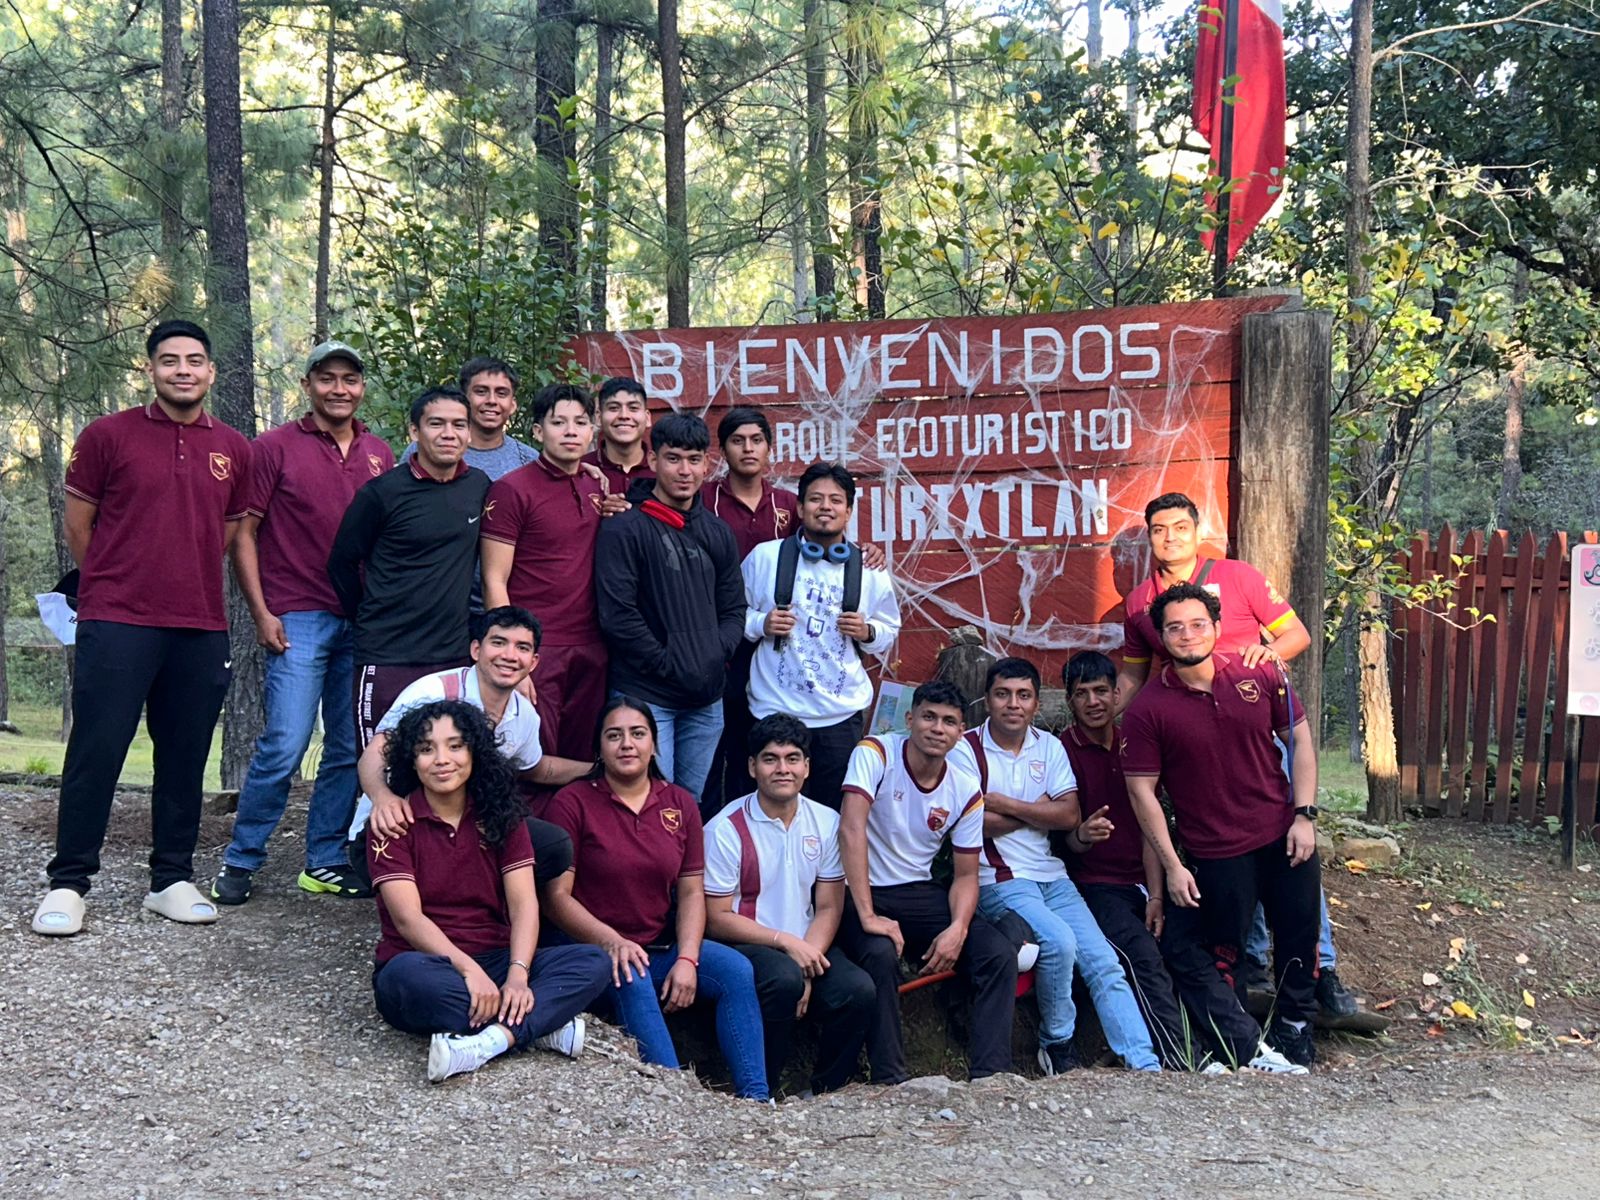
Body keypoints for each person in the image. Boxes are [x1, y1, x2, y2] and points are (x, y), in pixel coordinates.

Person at [33, 320, 251, 936]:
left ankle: (171, 879)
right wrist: (111, 583)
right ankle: (69, 883)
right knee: (97, 750)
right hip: (117, 619)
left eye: (194, 361)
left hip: (199, 623)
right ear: (150, 369)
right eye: (170, 360)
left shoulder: (234, 448)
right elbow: (81, 526)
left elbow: (231, 536)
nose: (183, 370)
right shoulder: (107, 436)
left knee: (184, 756)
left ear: (211, 372)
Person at [1116, 491, 1354, 1019]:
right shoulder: (1139, 605)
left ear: (1196, 531)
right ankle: (1253, 965)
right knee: (1232, 856)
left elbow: (1295, 634)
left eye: (1181, 526)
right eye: (1159, 529)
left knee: (1293, 846)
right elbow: (1134, 672)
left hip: (1258, 724)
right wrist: (1112, 711)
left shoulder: (1239, 576)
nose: (1170, 536)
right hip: (1196, 735)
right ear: (1149, 537)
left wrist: (1265, 654)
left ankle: (1324, 972)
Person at [1057, 651, 1305, 1074]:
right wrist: (1081, 835)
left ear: (1118, 694)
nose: (1094, 702)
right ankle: (1185, 1056)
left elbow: (1150, 826)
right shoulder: (1062, 750)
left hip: (1149, 879)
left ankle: (1247, 1050)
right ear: (1069, 700)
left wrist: (1156, 893)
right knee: (1143, 955)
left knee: (1187, 949)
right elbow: (1062, 838)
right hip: (1096, 886)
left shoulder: (1136, 736)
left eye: (1102, 691)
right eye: (1082, 694)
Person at [211, 341, 394, 906]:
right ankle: (242, 858)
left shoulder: (380, 452)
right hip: (298, 615)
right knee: (285, 744)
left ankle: (325, 858)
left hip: (361, 620)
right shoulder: (273, 448)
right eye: (327, 378)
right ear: (308, 384)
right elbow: (243, 533)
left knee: (348, 745)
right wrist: (261, 612)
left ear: (361, 387)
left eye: (350, 379)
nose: (339, 389)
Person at [1122, 582, 1323, 1067]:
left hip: (1283, 833)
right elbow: (1141, 793)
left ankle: (1295, 1029)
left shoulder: (1258, 673)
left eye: (1197, 624)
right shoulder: (1148, 709)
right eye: (1175, 628)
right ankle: (1241, 1043)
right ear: (1162, 638)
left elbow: (1300, 743)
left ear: (1216, 627)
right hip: (1216, 851)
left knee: (1299, 937)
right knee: (1223, 950)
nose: (1187, 636)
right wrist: (1172, 865)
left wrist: (1305, 816)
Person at [367, 700, 613, 1082]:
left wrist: (517, 975)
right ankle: (537, 1026)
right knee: (407, 980)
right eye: (426, 748)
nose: (442, 759)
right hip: (428, 962)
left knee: (592, 963)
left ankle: (490, 1041)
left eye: (455, 745)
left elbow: (524, 905)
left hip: (496, 958)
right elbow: (407, 919)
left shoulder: (500, 815)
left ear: (474, 752)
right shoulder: (394, 822)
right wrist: (468, 971)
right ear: (412, 760)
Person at [541, 699, 770, 1100]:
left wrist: (687, 957)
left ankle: (756, 1099)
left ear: (654, 744)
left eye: (637, 734)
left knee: (735, 969)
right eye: (614, 735)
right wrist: (611, 942)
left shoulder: (680, 803)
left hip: (656, 945)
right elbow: (555, 898)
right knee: (633, 971)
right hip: (591, 950)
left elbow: (690, 890)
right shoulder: (572, 802)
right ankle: (674, 1097)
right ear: (599, 748)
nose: (626, 744)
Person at [950, 658, 1159, 1076]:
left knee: (1103, 961)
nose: (1013, 704)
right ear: (987, 700)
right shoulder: (965, 748)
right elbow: (971, 822)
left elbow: (1068, 816)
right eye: (1003, 694)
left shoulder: (1049, 746)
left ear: (1036, 703)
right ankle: (1057, 1044)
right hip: (999, 878)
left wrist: (1003, 803)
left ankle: (1144, 1063)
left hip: (1052, 876)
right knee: (1060, 942)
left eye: (1024, 695)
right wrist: (1039, 810)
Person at [837, 681, 1018, 1083]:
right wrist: (867, 913)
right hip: (857, 888)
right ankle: (890, 1077)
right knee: (880, 955)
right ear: (910, 719)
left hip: (917, 890)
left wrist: (959, 928)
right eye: (929, 717)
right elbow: (851, 829)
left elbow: (967, 874)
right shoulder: (875, 753)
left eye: (949, 722)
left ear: (961, 732)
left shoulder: (965, 787)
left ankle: (991, 1075)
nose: (938, 728)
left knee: (996, 953)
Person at [350, 607, 592, 887]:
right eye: (498, 643)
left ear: (533, 662)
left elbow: (538, 769)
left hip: (466, 826)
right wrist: (382, 798)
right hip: (399, 825)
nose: (510, 656)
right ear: (476, 649)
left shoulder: (524, 714)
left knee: (554, 848)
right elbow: (375, 754)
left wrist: (599, 769)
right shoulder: (432, 693)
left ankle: (481, 901)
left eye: (522, 647)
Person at [704, 715, 875, 1095]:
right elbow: (714, 919)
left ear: (807, 767)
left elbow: (829, 906)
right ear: (752, 767)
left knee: (857, 990)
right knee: (783, 980)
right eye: (770, 759)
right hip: (747, 943)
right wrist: (786, 944)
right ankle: (762, 1089)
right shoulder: (725, 829)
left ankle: (826, 1090)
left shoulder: (826, 821)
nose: (783, 768)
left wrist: (809, 964)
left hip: (804, 944)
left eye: (793, 758)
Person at [328, 386, 491, 747]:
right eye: (436, 424)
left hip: (453, 655)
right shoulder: (381, 493)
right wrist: (367, 616)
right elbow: (341, 563)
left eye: (459, 425)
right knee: (381, 765)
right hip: (388, 655)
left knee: (449, 766)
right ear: (414, 431)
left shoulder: (478, 487)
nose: (449, 434)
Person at [593, 413, 743, 799]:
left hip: (706, 699)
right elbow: (618, 615)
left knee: (687, 806)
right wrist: (667, 664)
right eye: (673, 458)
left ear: (707, 465)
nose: (684, 470)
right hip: (646, 695)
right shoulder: (625, 526)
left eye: (694, 460)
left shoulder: (716, 531)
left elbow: (733, 609)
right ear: (654, 460)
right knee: (647, 799)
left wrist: (712, 655)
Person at [738, 463, 900, 816]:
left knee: (833, 817)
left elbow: (889, 629)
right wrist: (761, 623)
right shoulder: (766, 557)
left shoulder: (868, 569)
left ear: (849, 511)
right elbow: (732, 615)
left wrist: (868, 632)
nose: (825, 507)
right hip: (773, 711)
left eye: (835, 500)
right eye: (815, 499)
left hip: (839, 719)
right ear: (799, 508)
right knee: (769, 813)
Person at [482, 384, 622, 761]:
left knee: (582, 757)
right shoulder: (511, 489)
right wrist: (514, 656)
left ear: (593, 431)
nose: (571, 431)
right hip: (538, 646)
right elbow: (494, 578)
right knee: (530, 757)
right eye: (559, 422)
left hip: (592, 643)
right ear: (538, 431)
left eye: (580, 422)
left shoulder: (595, 483)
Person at [700, 408, 799, 810]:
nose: (747, 448)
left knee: (762, 749)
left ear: (769, 447)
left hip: (776, 648)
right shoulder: (703, 499)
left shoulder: (790, 504)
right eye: (737, 440)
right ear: (722, 449)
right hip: (716, 642)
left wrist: (869, 553)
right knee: (712, 752)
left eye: (756, 440)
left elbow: (827, 549)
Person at [403, 356, 540, 479]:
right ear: (463, 399)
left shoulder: (528, 459)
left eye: (501, 393)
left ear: (513, 404)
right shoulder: (423, 450)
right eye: (481, 391)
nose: (491, 401)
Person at [584, 377, 654, 496]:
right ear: (598, 417)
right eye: (613, 408)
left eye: (633, 408)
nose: (624, 416)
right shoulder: (582, 470)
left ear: (647, 418)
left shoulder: (663, 469)